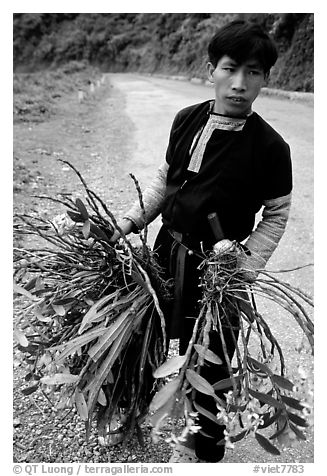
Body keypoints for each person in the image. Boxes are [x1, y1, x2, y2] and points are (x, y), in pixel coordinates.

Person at [110, 20, 292, 463]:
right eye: (230, 69)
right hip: (166, 253)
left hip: (221, 272)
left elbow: (277, 214)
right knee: (140, 334)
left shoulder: (271, 147)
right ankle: (125, 412)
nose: (239, 83)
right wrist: (130, 221)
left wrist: (244, 264)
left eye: (253, 72)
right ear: (211, 69)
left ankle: (207, 443)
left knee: (214, 355)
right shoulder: (186, 119)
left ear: (265, 78)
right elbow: (165, 181)